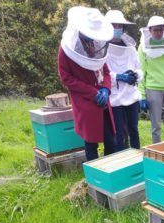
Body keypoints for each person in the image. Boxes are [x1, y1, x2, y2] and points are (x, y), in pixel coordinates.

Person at [58, 6, 116, 161]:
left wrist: (106, 89)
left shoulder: (97, 45)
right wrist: (92, 93)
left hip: (104, 102)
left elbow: (106, 70)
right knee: (91, 144)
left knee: (111, 141)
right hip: (85, 103)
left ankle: (109, 175)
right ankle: (94, 179)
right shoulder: (67, 48)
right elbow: (65, 77)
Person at [105, 10, 142, 151]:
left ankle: (138, 158)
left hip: (131, 95)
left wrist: (135, 75)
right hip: (115, 97)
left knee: (134, 129)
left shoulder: (130, 48)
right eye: (113, 25)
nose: (116, 29)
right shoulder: (103, 48)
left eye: (118, 25)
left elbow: (140, 69)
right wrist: (118, 77)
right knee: (119, 132)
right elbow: (103, 74)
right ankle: (121, 163)